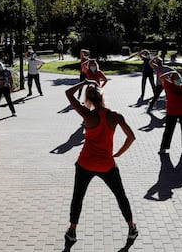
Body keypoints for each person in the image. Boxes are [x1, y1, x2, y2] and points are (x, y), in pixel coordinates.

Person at [63, 80, 138, 250]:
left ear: (88, 100)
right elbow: (131, 137)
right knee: (121, 196)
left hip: (85, 163)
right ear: (102, 96)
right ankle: (131, 228)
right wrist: (118, 153)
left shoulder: (87, 115)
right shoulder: (115, 116)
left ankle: (72, 231)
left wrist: (84, 82)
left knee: (78, 197)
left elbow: (68, 93)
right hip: (106, 164)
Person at [158, 71, 182, 155]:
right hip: (172, 112)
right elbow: (160, 77)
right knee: (168, 131)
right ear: (172, 80)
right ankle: (163, 148)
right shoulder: (168, 85)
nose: (178, 80)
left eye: (179, 78)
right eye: (176, 79)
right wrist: (170, 72)